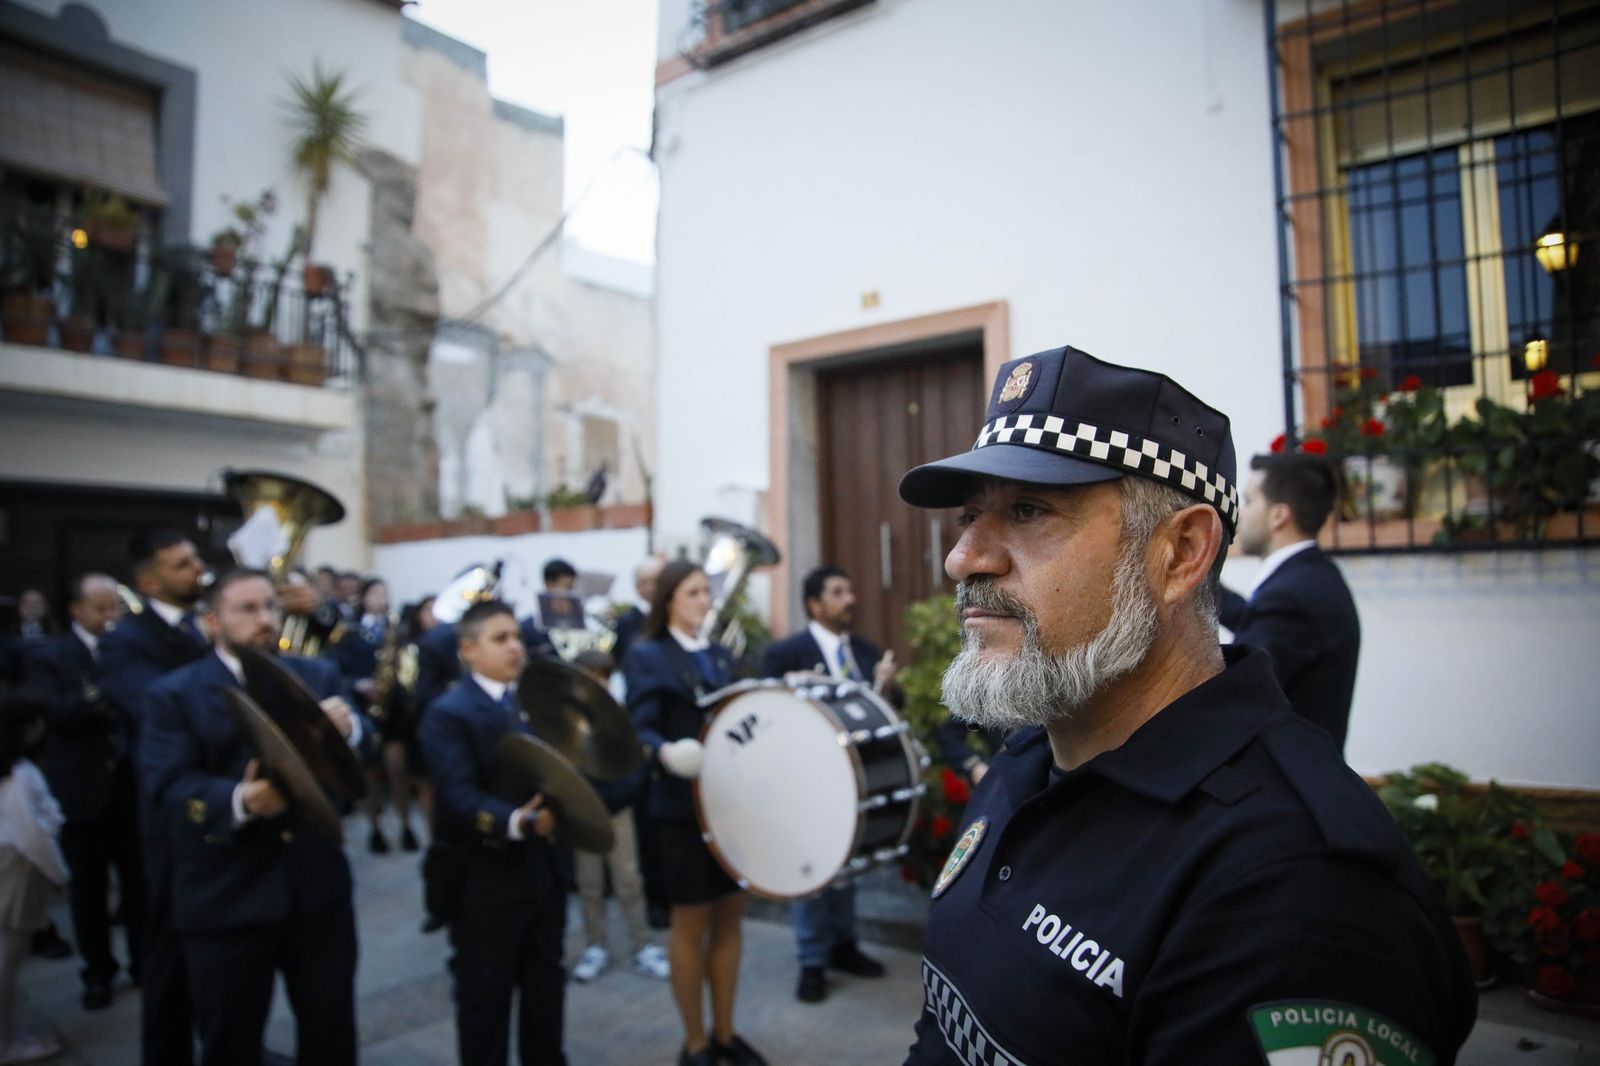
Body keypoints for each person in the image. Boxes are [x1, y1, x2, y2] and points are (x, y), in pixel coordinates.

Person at [896, 345, 1476, 1064]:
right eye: (970, 515)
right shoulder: (1029, 759)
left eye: (1028, 509)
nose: (964, 558)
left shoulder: (1296, 896)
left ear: (1180, 553)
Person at [138, 568, 366, 1066]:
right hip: (228, 896)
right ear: (212, 621)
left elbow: (354, 771)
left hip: (316, 892)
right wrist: (239, 801)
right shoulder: (173, 694)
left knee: (330, 1029)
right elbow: (166, 788)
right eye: (248, 609)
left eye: (270, 606)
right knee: (231, 1037)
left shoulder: (316, 674)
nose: (265, 619)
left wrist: (348, 734)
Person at [624, 561, 765, 1066]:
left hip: (727, 805)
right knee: (690, 922)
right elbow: (636, 727)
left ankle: (725, 1032)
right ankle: (695, 1043)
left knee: (730, 917)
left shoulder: (719, 654)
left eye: (706, 591)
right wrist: (662, 751)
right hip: (679, 809)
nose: (704, 600)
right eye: (693, 592)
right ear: (668, 601)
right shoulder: (647, 655)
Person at [418, 600, 569, 1066]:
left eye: (516, 637)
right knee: (486, 1000)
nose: (514, 647)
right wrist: (516, 822)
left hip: (543, 876)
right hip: (484, 880)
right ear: (468, 650)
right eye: (499, 639)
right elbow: (458, 795)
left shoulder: (534, 704)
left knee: (545, 993)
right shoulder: (450, 712)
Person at [96, 528, 209, 1066]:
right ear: (148, 580)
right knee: (167, 942)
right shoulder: (124, 643)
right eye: (182, 564)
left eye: (195, 560)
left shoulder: (199, 628)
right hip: (167, 813)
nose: (197, 570)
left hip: (218, 806)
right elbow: (157, 706)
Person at [760, 566, 891, 1003]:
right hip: (806, 779)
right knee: (813, 869)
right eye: (838, 592)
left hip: (855, 777)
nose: (850, 598)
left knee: (847, 864)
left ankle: (843, 945)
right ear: (815, 605)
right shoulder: (785, 653)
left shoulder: (868, 651)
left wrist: (888, 688)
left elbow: (889, 710)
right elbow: (769, 713)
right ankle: (812, 961)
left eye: (850, 589)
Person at [21, 573, 143, 1011]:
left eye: (115, 608)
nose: (111, 617)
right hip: (81, 789)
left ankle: (144, 963)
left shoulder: (129, 651)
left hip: (129, 786)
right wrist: (102, 693)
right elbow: (51, 711)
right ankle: (98, 971)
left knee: (139, 885)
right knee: (89, 892)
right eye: (101, 608)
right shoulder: (51, 656)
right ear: (76, 610)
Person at [1222, 452, 1362, 752]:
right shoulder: (1311, 575)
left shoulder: (1292, 596)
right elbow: (1257, 621)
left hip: (1283, 786)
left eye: (1248, 501)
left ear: (1279, 515)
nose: (1240, 514)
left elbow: (1236, 690)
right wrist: (1197, 583)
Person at [568, 649, 670, 985]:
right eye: (593, 677)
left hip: (616, 808)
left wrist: (620, 795)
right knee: (590, 883)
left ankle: (641, 944)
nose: (600, 684)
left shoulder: (619, 715)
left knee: (628, 878)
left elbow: (632, 763)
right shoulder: (566, 719)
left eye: (604, 677)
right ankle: (596, 944)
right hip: (583, 811)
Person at [329, 577, 422, 854]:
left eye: (385, 592)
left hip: (392, 706)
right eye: (375, 593)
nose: (381, 598)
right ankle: (376, 827)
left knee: (398, 766)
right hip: (362, 704)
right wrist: (359, 684)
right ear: (364, 598)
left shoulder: (395, 629)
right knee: (368, 770)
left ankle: (406, 824)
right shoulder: (349, 632)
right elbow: (338, 669)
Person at [0, 693, 68, 1065]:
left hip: (12, 860)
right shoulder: (20, 775)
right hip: (17, 866)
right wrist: (61, 874)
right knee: (7, 956)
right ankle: (6, 1042)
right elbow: (33, 836)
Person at [614, 555, 665, 665]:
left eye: (657, 580)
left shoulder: (674, 615)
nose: (652, 587)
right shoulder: (626, 622)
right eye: (645, 581)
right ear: (637, 586)